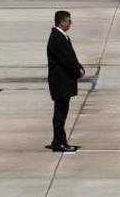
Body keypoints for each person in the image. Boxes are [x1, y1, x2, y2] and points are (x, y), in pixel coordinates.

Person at [47, 10, 84, 152]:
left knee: (62, 112)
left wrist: (79, 66)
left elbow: (70, 56)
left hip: (64, 82)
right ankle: (59, 142)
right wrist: (77, 71)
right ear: (61, 22)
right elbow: (65, 59)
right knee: (60, 114)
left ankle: (59, 140)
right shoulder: (56, 39)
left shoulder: (63, 37)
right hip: (60, 82)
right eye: (68, 21)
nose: (70, 24)